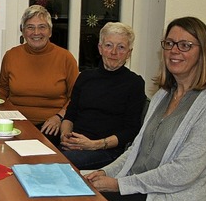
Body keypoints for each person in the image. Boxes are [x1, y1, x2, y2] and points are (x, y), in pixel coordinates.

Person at [85, 17, 206, 201]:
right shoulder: (163, 94)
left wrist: (119, 184)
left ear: (203, 53)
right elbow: (136, 150)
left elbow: (184, 172)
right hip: (139, 188)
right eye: (170, 43)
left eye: (185, 45)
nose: (174, 51)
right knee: (78, 196)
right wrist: (107, 172)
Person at [60, 22, 146, 170]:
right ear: (100, 48)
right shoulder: (85, 77)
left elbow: (131, 130)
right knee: (37, 154)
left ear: (129, 53)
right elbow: (70, 115)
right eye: (108, 45)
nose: (114, 52)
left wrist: (94, 145)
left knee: (57, 162)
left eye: (121, 47)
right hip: (74, 144)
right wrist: (65, 136)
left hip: (106, 150)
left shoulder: (134, 83)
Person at [0, 4, 79, 146]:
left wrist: (59, 117)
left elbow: (76, 97)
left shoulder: (65, 58)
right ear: (23, 31)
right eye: (30, 27)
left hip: (51, 125)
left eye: (42, 27)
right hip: (15, 123)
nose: (36, 32)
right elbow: (1, 90)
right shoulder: (11, 55)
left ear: (50, 31)